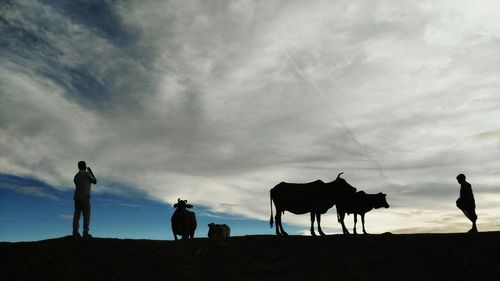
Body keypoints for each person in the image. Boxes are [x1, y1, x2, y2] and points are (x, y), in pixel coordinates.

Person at [73, 161, 97, 238]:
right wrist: (90, 171)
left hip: (77, 196)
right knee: (86, 215)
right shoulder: (86, 173)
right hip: (84, 196)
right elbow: (95, 181)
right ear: (84, 166)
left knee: (77, 215)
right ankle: (85, 233)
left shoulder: (76, 176)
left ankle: (75, 232)